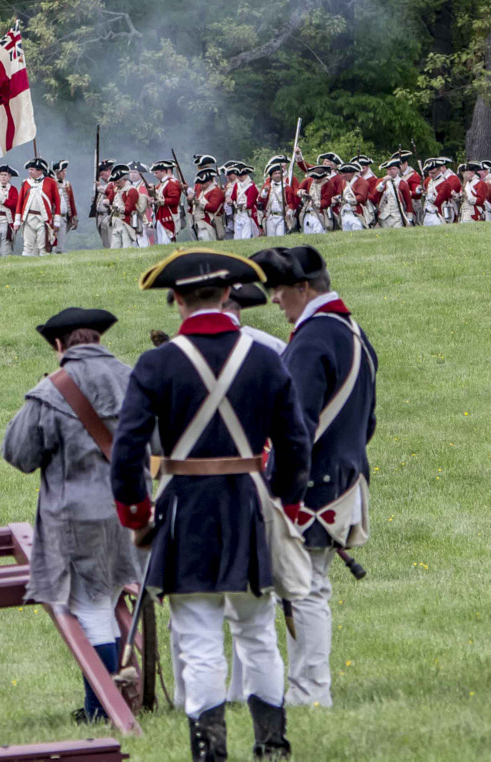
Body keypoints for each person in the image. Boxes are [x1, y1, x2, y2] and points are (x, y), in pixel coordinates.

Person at [111, 249, 309, 761]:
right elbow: (295, 442)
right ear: (227, 295)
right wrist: (285, 504)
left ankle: (210, 753)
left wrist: (136, 515)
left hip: (183, 511)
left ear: (176, 300)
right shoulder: (264, 357)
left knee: (197, 638)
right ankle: (272, 746)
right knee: (258, 633)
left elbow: (128, 449)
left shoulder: (157, 363)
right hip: (248, 505)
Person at [1, 306, 140, 724]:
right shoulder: (135, 379)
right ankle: (113, 701)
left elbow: (20, 454)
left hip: (79, 518)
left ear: (59, 346)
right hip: (132, 511)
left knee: (92, 611)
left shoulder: (53, 388)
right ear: (99, 339)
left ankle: (102, 711)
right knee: (110, 601)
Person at [253, 245, 377, 710]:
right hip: (340, 479)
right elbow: (368, 423)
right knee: (307, 589)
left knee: (304, 592)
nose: (275, 300)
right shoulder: (351, 332)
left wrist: (283, 494)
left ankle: (308, 695)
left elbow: (293, 427)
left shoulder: (312, 340)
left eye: (280, 290)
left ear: (303, 289)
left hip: (308, 486)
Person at [19, 160, 61, 257]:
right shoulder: (26, 183)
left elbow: (57, 203)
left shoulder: (51, 183)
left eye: (32, 169)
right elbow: (20, 202)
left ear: (40, 171)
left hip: (43, 219)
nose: (29, 172)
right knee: (28, 246)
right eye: (29, 169)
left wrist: (57, 221)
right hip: (28, 218)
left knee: (43, 247)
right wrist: (18, 220)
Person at [53, 161, 78, 253]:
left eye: (65, 171)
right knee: (52, 242)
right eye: (62, 171)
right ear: (56, 172)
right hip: (53, 217)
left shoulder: (67, 184)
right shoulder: (51, 183)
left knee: (61, 244)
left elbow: (72, 202)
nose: (64, 173)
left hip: (64, 218)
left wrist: (74, 217)